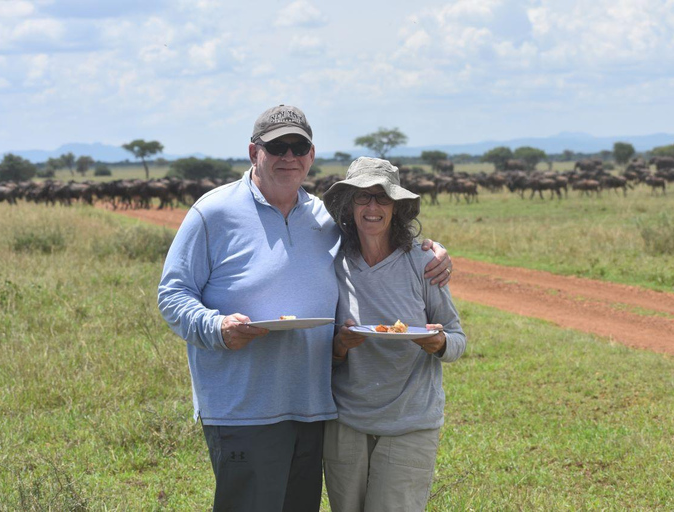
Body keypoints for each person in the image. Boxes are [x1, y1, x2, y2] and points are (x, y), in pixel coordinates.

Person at [157, 105, 453, 512]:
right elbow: (172, 294)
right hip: (244, 409)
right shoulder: (213, 212)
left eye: (299, 146)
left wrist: (433, 252)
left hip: (314, 408)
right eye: (277, 147)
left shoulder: (324, 218)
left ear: (311, 155)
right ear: (253, 152)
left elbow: (379, 233)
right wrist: (217, 325)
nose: (289, 157)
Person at [321, 157, 466, 512]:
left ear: (396, 208)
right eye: (362, 198)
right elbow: (320, 348)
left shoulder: (423, 262)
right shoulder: (331, 264)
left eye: (382, 198)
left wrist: (438, 342)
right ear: (349, 205)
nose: (372, 207)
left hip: (410, 421)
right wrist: (339, 347)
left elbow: (457, 339)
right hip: (346, 423)